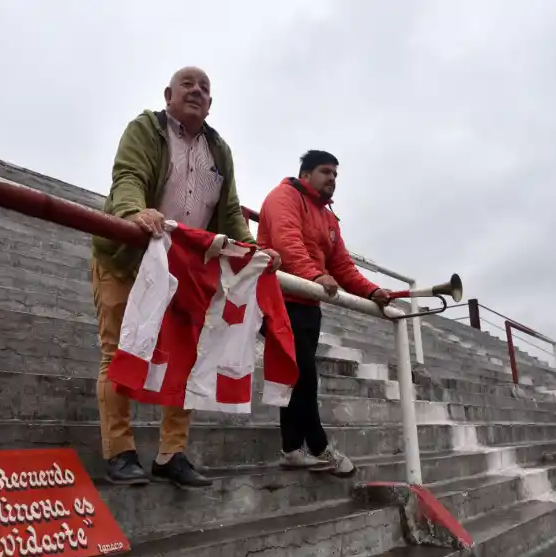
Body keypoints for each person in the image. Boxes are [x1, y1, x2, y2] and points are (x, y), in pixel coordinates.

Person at [90, 66, 281, 489]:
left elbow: (230, 213)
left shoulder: (219, 149)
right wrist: (132, 213)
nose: (196, 91)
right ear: (168, 94)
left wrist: (253, 251)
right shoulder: (146, 128)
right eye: (188, 85)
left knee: (188, 358)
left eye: (205, 88)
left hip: (186, 268)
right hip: (127, 258)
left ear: (211, 103)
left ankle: (170, 454)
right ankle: (119, 452)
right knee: (118, 351)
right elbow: (128, 178)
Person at [256, 150, 391, 477]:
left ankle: (291, 449)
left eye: (335, 174)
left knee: (297, 376)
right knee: (304, 377)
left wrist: (371, 291)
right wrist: (314, 276)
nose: (331, 179)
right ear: (305, 174)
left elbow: (342, 265)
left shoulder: (329, 219)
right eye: (325, 172)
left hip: (309, 304)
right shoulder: (283, 197)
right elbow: (287, 244)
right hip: (279, 299)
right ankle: (319, 446)